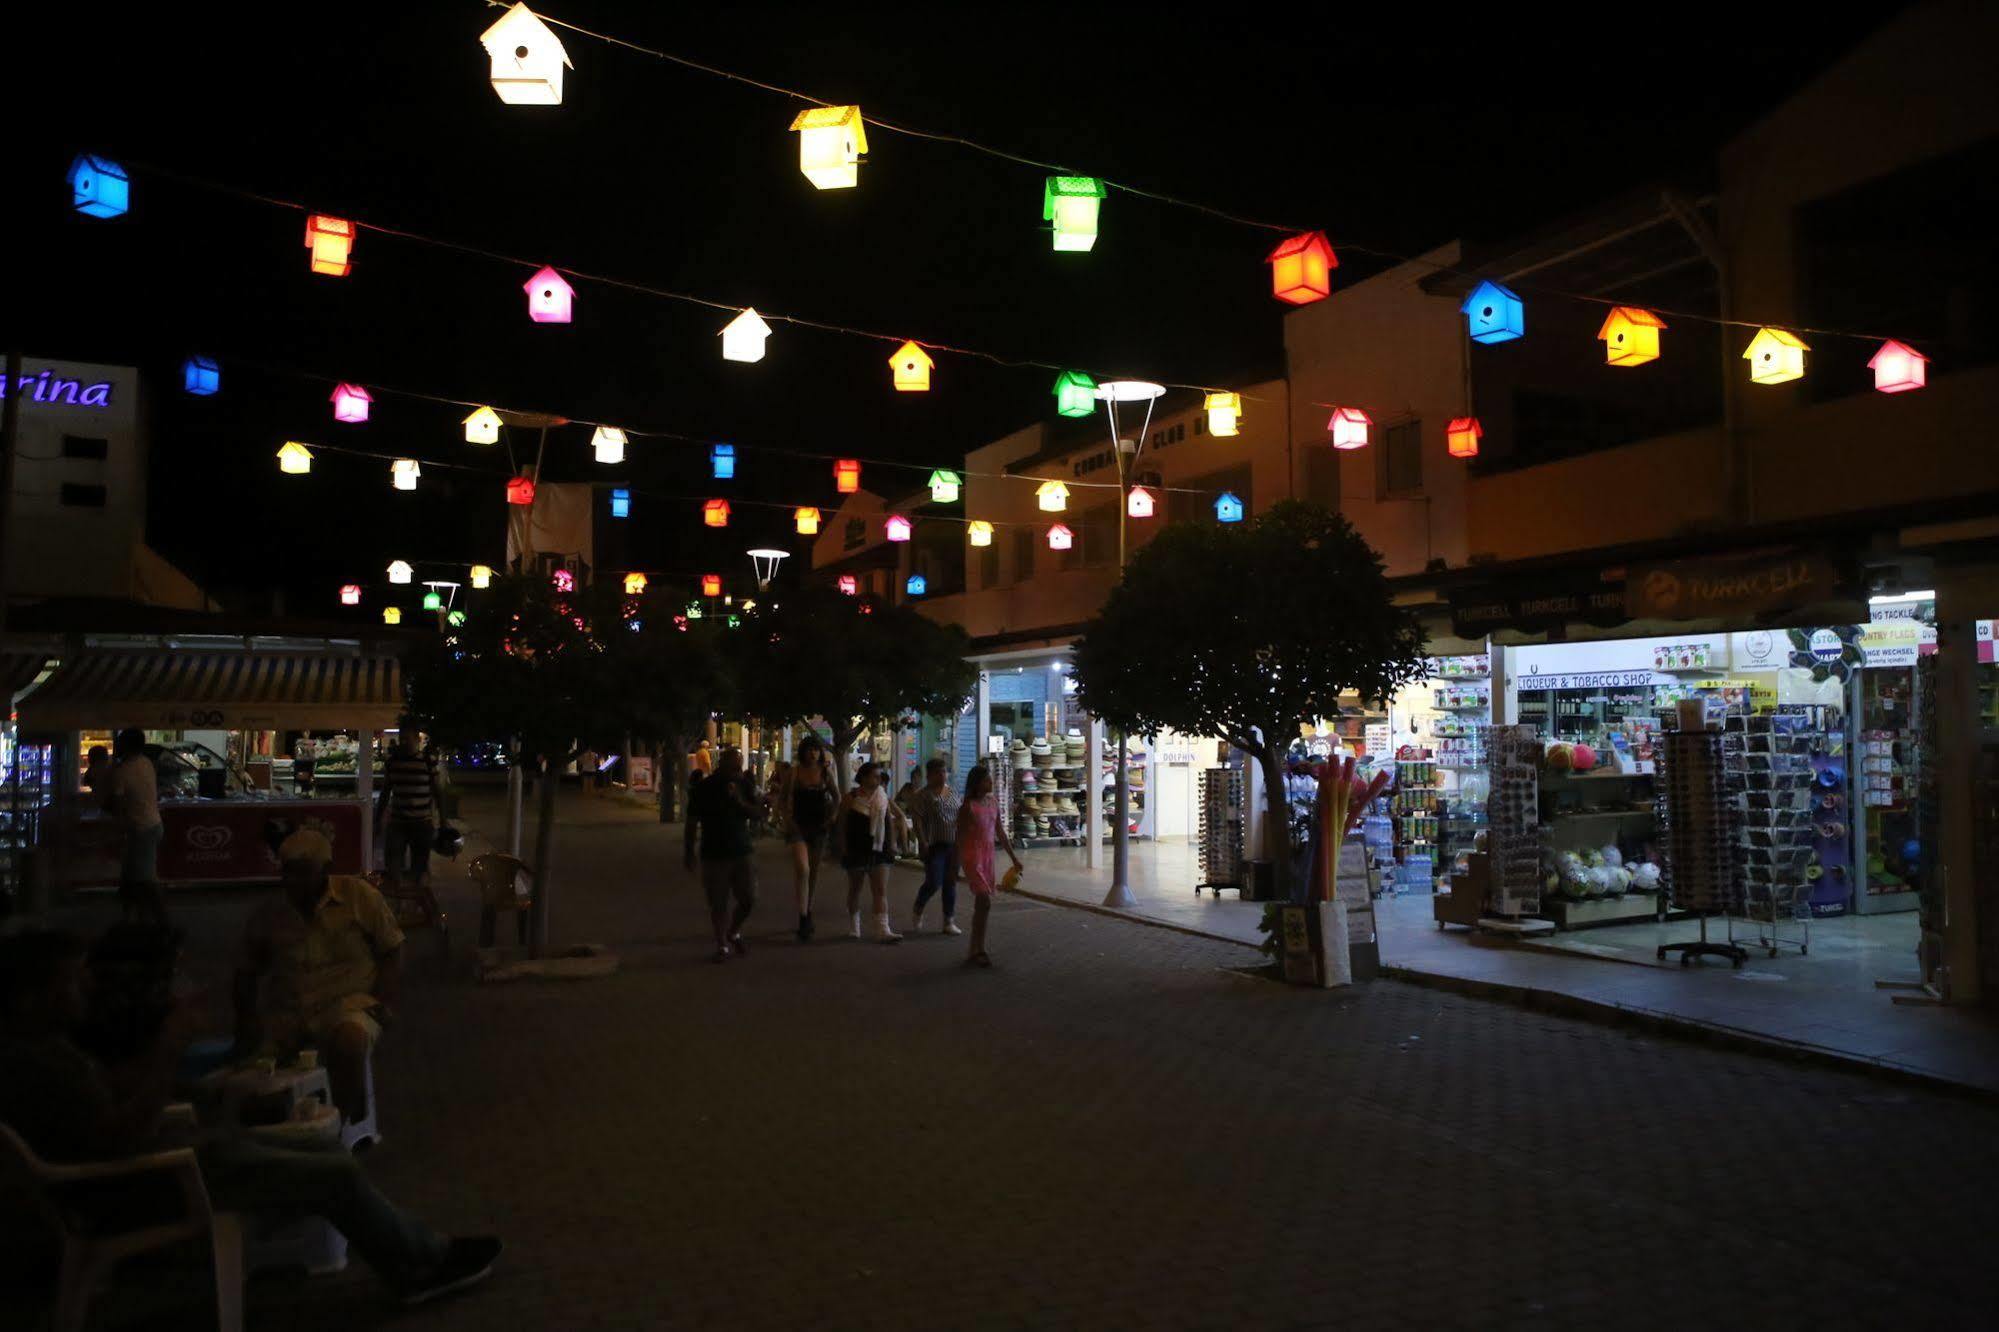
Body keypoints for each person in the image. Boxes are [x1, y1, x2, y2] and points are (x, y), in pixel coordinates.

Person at [0, 929, 500, 1307]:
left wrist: (193, 1090)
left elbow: (114, 1104)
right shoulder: (34, 1065)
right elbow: (118, 1135)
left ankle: (421, 1248)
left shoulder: (47, 1049)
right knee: (336, 1171)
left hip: (161, 1165)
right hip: (155, 1182)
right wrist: (171, 1049)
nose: (85, 990)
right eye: (71, 981)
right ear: (33, 998)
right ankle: (416, 1266)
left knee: (325, 1149)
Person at [235, 830, 402, 1126]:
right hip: (290, 1007)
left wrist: (383, 1002)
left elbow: (391, 950)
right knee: (249, 1079)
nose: (293, 882)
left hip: (349, 1002)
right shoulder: (271, 913)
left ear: (324, 871)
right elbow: (246, 970)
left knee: (349, 1042)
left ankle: (340, 1124)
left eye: (303, 874)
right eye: (288, 873)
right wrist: (247, 1019)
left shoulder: (358, 896)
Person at [683, 746, 758, 962]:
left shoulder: (744, 784)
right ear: (722, 763)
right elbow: (691, 821)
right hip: (714, 852)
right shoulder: (703, 788)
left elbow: (756, 814)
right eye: (735, 763)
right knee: (718, 902)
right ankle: (722, 944)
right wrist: (689, 851)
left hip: (742, 849)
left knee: (749, 898)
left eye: (739, 763)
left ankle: (733, 931)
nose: (737, 768)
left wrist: (740, 801)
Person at [956, 764, 1022, 968]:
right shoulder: (967, 807)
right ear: (977, 783)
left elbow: (1000, 832)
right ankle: (977, 948)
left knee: (982, 906)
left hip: (987, 857)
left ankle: (976, 948)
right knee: (984, 901)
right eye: (987, 779)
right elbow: (959, 836)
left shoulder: (993, 802)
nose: (991, 782)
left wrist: (1014, 858)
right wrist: (955, 863)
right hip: (972, 857)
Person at [839, 762, 910, 943]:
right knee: (855, 888)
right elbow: (842, 824)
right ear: (863, 777)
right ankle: (855, 926)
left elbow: (889, 819)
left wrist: (893, 843)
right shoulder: (851, 798)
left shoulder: (882, 796)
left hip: (880, 849)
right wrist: (843, 846)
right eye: (875, 776)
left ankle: (883, 929)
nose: (878, 780)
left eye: (880, 776)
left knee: (880, 890)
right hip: (857, 848)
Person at [101, 728, 166, 923]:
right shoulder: (146, 763)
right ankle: (132, 920)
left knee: (145, 880)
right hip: (152, 824)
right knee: (132, 877)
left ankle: (163, 925)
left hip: (141, 829)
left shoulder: (124, 771)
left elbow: (118, 805)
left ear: (125, 746)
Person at [780, 736, 837, 941]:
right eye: (810, 749)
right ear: (803, 751)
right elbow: (782, 799)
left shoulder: (825, 772)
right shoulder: (794, 772)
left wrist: (832, 818)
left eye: (817, 750)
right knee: (803, 869)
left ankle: (807, 910)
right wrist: (787, 820)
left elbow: (837, 797)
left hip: (819, 827)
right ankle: (803, 916)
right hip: (798, 827)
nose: (813, 753)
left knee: (812, 873)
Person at [908, 758, 963, 935]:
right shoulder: (923, 796)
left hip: (953, 844)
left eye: (945, 771)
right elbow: (917, 821)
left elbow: (960, 814)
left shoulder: (953, 792)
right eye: (939, 772)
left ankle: (949, 920)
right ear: (930, 775)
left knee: (950, 882)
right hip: (934, 845)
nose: (943, 775)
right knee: (934, 881)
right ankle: (918, 907)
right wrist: (922, 842)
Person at [382, 733, 439, 890]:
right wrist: (378, 819)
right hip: (398, 822)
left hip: (421, 823)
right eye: (403, 738)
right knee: (393, 866)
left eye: (409, 738)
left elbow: (437, 791)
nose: (405, 742)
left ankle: (415, 903)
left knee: (418, 870)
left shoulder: (427, 761)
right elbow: (386, 791)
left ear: (417, 739)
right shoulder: (392, 762)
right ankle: (399, 902)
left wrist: (443, 820)